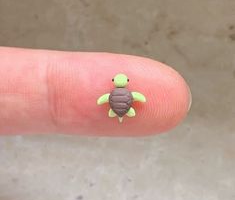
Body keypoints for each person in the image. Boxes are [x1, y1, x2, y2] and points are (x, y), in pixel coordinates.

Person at [0, 47, 191, 136]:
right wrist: (104, 101)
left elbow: (114, 98)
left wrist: (105, 101)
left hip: (119, 109)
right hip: (121, 109)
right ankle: (123, 115)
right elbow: (114, 98)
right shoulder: (123, 95)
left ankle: (121, 115)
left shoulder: (119, 94)